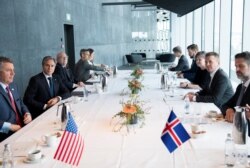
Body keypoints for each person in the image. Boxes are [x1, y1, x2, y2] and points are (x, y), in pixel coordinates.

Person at [0, 56, 32, 142]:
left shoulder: (13, 86)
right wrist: (9, 126)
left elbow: (20, 103)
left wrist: (27, 113)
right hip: (5, 138)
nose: (13, 73)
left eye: (13, 70)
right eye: (8, 70)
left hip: (23, 130)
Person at [222, 51, 250, 122]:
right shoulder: (240, 87)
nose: (237, 70)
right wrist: (229, 110)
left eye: (241, 66)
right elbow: (225, 105)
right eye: (236, 66)